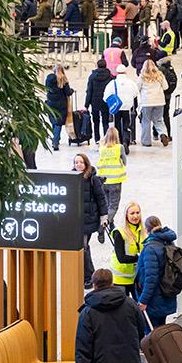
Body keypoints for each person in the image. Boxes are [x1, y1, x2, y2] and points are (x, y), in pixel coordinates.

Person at [75, 269, 144, 363]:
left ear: (94, 285)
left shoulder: (87, 313)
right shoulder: (131, 304)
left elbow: (83, 350)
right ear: (112, 283)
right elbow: (140, 331)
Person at [136, 216, 178, 332]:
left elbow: (151, 278)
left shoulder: (150, 248)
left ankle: (153, 351)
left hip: (154, 299)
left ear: (147, 229)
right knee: (160, 330)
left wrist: (143, 300)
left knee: (151, 334)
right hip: (166, 294)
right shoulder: (169, 242)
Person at [73, 154, 108, 290]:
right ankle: (88, 275)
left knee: (84, 247)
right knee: (83, 247)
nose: (78, 165)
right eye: (76, 162)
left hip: (89, 220)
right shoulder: (72, 178)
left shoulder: (93, 179)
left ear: (86, 164)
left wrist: (104, 217)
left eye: (81, 162)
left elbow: (101, 199)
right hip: (76, 221)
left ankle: (88, 277)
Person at [95, 127, 126, 243]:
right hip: (115, 181)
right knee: (113, 206)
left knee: (106, 204)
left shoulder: (101, 148)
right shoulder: (120, 148)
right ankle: (102, 226)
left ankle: (110, 224)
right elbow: (125, 162)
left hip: (103, 181)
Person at [110, 202, 144, 298]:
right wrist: (139, 258)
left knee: (138, 308)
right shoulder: (119, 232)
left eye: (138, 212)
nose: (135, 216)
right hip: (120, 278)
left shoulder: (143, 231)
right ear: (126, 215)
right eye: (132, 213)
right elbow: (121, 258)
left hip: (136, 277)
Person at [102, 64, 139, 152]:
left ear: (116, 73)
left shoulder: (112, 83)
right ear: (125, 72)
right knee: (126, 125)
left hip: (117, 107)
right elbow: (135, 93)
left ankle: (119, 143)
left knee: (117, 125)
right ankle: (126, 141)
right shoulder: (131, 82)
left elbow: (106, 97)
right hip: (127, 107)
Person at [137, 60, 169, 147]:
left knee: (146, 121)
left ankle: (146, 142)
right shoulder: (160, 75)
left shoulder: (142, 77)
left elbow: (137, 88)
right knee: (158, 120)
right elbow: (166, 87)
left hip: (147, 102)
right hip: (159, 101)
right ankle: (163, 134)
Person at [44, 64, 73, 151]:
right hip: (61, 104)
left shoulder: (48, 79)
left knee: (53, 120)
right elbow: (67, 92)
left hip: (50, 103)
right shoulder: (63, 79)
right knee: (58, 123)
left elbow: (46, 89)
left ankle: (55, 138)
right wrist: (71, 91)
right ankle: (55, 141)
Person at [84, 60, 112, 144]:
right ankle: (106, 138)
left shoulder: (92, 76)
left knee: (96, 121)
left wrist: (86, 104)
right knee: (105, 121)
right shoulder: (110, 76)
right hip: (105, 101)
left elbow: (89, 91)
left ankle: (97, 139)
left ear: (97, 65)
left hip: (94, 101)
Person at [156, 56, 177, 140]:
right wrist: (169, 92)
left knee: (156, 116)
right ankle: (168, 134)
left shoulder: (159, 69)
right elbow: (175, 81)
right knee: (166, 115)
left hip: (159, 96)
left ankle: (155, 133)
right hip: (167, 96)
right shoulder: (171, 68)